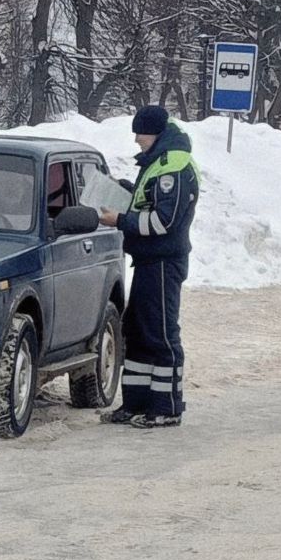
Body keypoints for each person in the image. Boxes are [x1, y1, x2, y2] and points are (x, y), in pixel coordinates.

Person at [98, 106, 200, 428]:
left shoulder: (174, 165)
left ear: (153, 132)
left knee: (161, 335)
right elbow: (148, 202)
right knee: (138, 332)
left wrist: (120, 220)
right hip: (147, 260)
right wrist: (126, 192)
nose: (136, 140)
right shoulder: (159, 160)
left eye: (139, 133)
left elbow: (162, 220)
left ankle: (167, 408)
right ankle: (137, 403)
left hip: (162, 261)